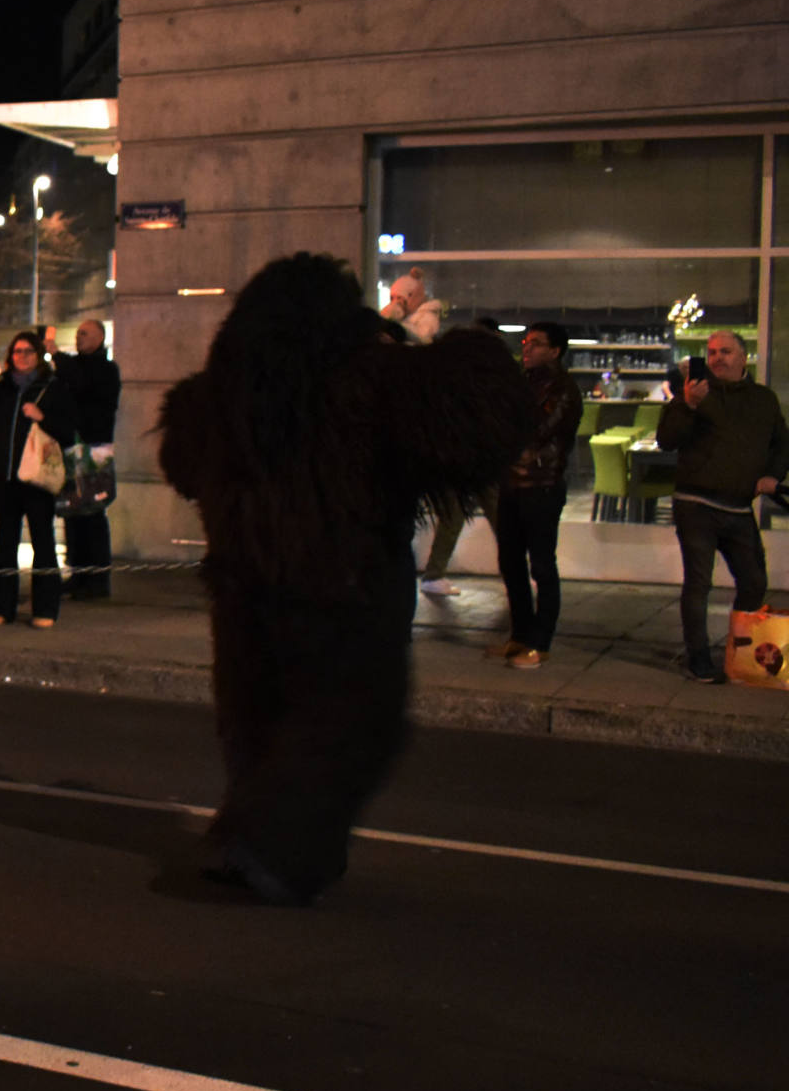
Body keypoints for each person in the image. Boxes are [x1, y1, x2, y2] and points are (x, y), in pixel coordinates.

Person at [160, 254, 529, 905]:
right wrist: (457, 347)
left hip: (247, 593)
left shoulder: (216, 396)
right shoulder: (368, 379)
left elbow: (181, 462)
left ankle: (260, 843)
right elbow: (480, 416)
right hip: (348, 587)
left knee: (261, 724)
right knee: (346, 724)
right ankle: (272, 850)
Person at [654, 328, 789, 683]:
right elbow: (666, 440)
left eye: (726, 351)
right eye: (712, 352)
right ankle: (698, 657)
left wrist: (772, 475)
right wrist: (688, 403)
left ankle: (741, 649)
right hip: (695, 502)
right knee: (698, 583)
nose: (717, 358)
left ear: (744, 357)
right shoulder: (694, 395)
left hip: (739, 505)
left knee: (753, 579)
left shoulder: (763, 399)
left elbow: (781, 443)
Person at [491, 322, 582, 669]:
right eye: (525, 342)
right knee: (510, 562)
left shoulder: (563, 389)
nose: (527, 349)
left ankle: (540, 642)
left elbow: (539, 430)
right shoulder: (520, 382)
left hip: (541, 484)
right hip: (512, 481)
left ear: (555, 350)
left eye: (536, 344)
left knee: (542, 565)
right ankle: (520, 634)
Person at [0, 331, 74, 628]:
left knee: (42, 541)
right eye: (17, 352)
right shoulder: (2, 388)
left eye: (28, 352)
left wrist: (42, 417)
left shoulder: (52, 387)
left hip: (36, 477)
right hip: (6, 477)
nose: (21, 357)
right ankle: (2, 608)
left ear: (38, 355)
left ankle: (45, 608)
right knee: (6, 542)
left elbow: (68, 432)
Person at [55, 320, 121, 601]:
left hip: (93, 449)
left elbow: (83, 384)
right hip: (73, 447)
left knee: (93, 513)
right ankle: (79, 574)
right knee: (72, 511)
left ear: (99, 338)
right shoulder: (76, 367)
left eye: (84, 334)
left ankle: (97, 578)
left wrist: (57, 356)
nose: (79, 338)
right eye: (78, 334)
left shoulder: (105, 369)